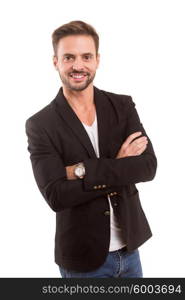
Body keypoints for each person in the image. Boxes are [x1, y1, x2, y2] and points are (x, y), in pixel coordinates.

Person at [25, 20, 157, 278]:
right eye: (69, 57)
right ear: (56, 62)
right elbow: (56, 195)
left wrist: (81, 170)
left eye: (86, 56)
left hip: (131, 252)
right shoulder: (41, 124)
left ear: (97, 60)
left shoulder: (122, 106)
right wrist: (119, 164)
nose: (78, 65)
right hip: (82, 259)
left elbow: (147, 166)